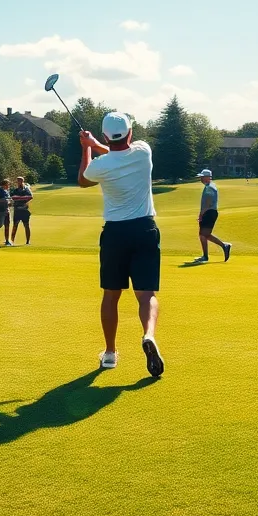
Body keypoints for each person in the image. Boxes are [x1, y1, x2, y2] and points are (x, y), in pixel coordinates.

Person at [78, 112, 164, 377]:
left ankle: (110, 354)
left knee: (111, 295)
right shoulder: (143, 152)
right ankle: (148, 334)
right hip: (145, 230)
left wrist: (87, 148)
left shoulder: (100, 166)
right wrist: (96, 145)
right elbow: (120, 151)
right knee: (146, 294)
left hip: (115, 234)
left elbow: (83, 179)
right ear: (130, 133)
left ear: (105, 136)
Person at [192, 168, 231, 263]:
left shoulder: (209, 187)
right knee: (202, 235)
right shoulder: (209, 186)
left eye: (202, 177)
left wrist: (201, 214)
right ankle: (205, 256)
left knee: (205, 234)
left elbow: (208, 203)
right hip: (209, 212)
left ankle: (224, 246)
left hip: (209, 212)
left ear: (207, 177)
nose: (200, 179)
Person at [11, 176, 33, 245]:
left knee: (26, 225)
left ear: (22, 181)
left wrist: (19, 198)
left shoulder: (26, 190)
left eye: (19, 181)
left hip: (24, 210)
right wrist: (22, 198)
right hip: (17, 210)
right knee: (15, 226)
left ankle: (28, 241)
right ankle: (12, 241)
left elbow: (30, 197)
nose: (18, 182)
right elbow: (13, 197)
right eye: (17, 181)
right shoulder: (15, 190)